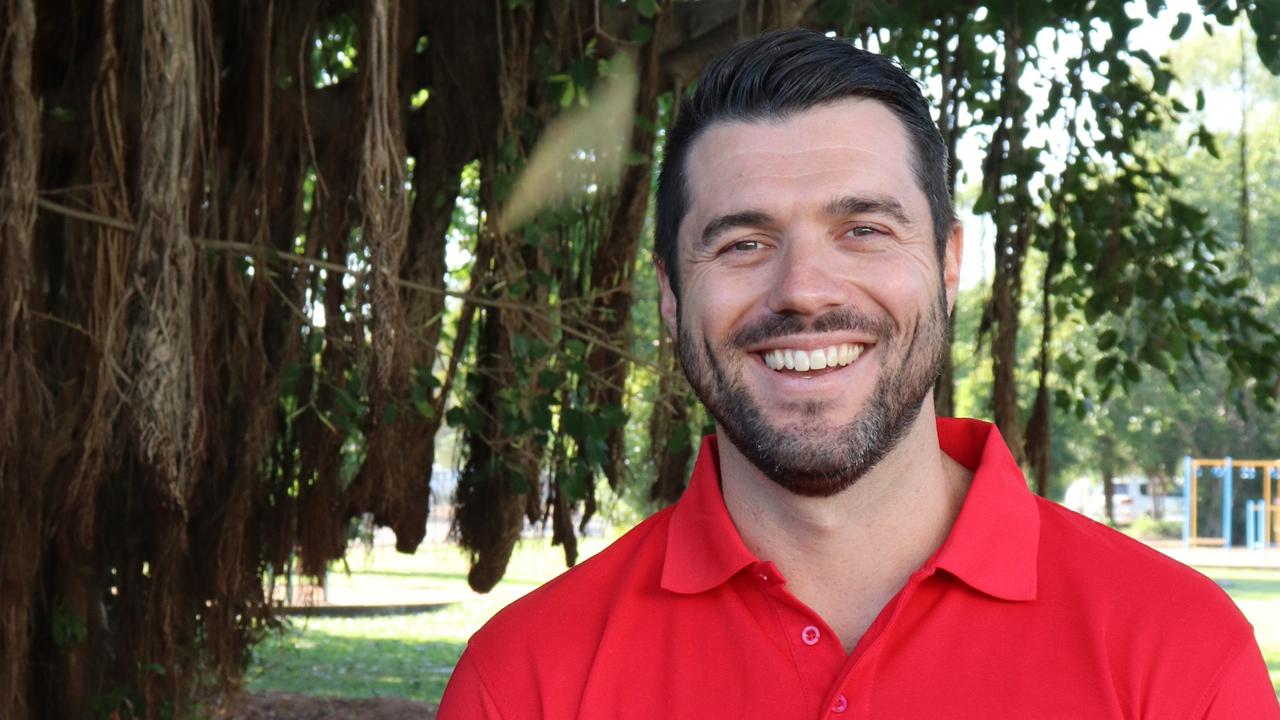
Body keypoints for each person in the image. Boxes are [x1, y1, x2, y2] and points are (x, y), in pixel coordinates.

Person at [438, 29, 1279, 718]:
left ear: (948, 266)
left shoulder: (1177, 657)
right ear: (669, 294)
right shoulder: (525, 683)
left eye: (865, 230)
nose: (803, 291)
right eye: (742, 244)